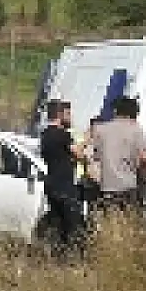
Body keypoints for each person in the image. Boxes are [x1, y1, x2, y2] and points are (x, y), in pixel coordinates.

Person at [39, 100, 86, 256]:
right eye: (67, 114)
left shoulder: (45, 134)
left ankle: (55, 254)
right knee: (73, 225)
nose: (70, 117)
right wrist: (89, 138)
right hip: (65, 186)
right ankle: (71, 257)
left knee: (57, 222)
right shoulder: (63, 135)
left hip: (51, 184)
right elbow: (78, 154)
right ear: (59, 115)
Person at [91, 96, 146, 215]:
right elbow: (144, 156)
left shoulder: (100, 129)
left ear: (116, 110)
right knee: (129, 221)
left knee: (111, 221)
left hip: (107, 184)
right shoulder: (136, 129)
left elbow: (95, 156)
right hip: (128, 184)